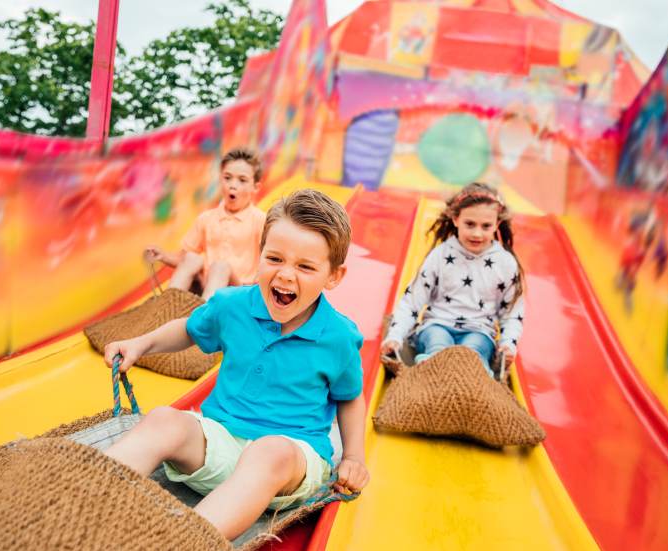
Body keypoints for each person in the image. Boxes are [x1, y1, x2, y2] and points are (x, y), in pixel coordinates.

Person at [103, 189, 369, 540]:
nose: (286, 276)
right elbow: (189, 329)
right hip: (221, 440)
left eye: (305, 266)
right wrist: (141, 343)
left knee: (268, 451)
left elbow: (349, 397)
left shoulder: (337, 336)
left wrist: (354, 456)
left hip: (289, 461)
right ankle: (87, 493)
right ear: (259, 255)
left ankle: (183, 541)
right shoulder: (232, 305)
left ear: (333, 276)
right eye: (275, 259)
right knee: (164, 419)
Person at [381, 182, 525, 377]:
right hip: (437, 325)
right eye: (470, 224)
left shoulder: (505, 263)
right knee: (438, 344)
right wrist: (395, 336)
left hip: (479, 331)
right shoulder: (440, 256)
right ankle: (429, 372)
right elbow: (412, 301)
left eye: (486, 226)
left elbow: (512, 312)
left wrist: (508, 343)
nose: (477, 233)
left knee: (473, 352)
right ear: (456, 219)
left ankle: (477, 377)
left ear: (497, 224)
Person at [144, 148, 266, 300]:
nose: (232, 185)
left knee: (221, 267)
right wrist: (163, 256)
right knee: (192, 258)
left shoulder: (260, 220)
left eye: (242, 180)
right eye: (227, 178)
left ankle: (205, 316)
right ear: (220, 179)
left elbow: (268, 261)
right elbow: (182, 259)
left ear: (255, 187)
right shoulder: (206, 219)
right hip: (208, 285)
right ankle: (166, 306)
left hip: (240, 291)